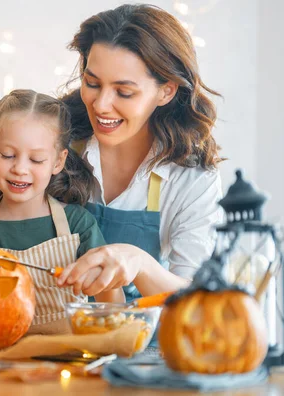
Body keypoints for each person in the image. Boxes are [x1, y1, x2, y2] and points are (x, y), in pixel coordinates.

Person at [56, 4, 224, 303]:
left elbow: (199, 303)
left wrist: (139, 263)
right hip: (54, 342)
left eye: (124, 92)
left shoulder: (191, 178)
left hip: (147, 346)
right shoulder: (53, 142)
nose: (101, 105)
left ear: (166, 91)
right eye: (92, 83)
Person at [0, 89, 114, 335]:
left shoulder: (77, 224)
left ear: (57, 162)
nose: (20, 169)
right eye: (8, 155)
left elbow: (112, 303)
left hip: (68, 362)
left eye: (36, 160)